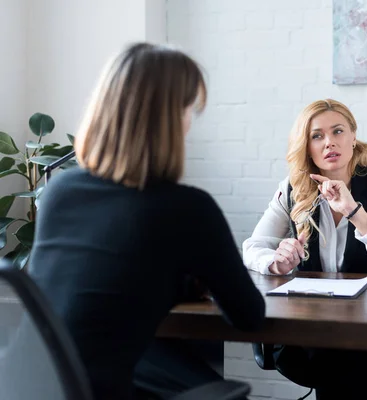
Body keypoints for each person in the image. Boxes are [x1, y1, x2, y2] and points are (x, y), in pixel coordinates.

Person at [28, 42, 265, 400]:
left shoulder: (60, 190)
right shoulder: (187, 209)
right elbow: (248, 315)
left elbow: (100, 281)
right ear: (170, 119)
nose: (189, 123)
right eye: (188, 110)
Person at [243, 99, 367, 400]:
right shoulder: (292, 188)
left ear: (353, 137)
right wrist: (276, 262)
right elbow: (253, 247)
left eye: (338, 131)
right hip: (307, 329)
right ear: (307, 146)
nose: (329, 143)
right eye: (317, 136)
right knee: (352, 353)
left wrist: (356, 213)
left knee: (353, 349)